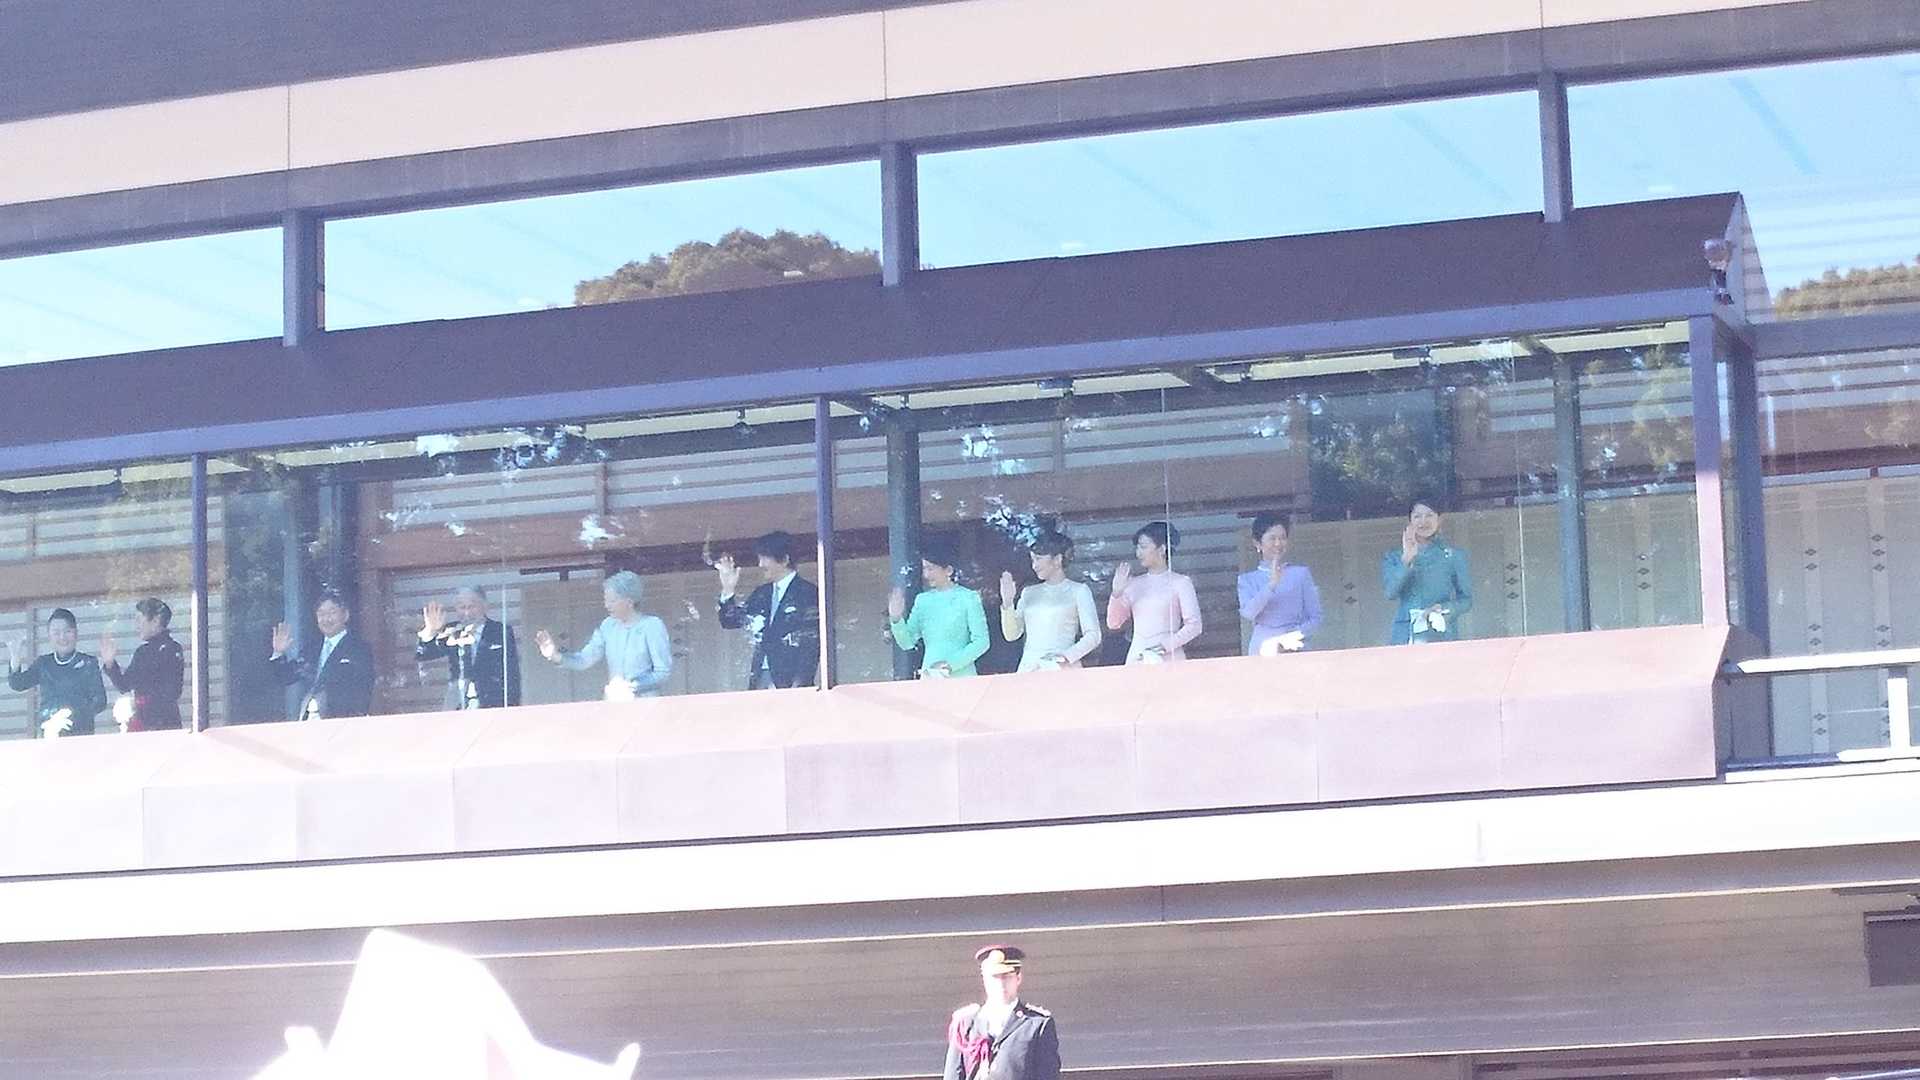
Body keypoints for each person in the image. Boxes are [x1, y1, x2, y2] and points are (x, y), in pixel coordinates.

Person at [535, 570, 673, 700]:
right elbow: (584, 659)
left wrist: (632, 686)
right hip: (615, 702)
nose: (607, 605)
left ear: (629, 602)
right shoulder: (608, 626)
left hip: (646, 703)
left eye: (612, 601)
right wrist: (554, 655)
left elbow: (662, 672)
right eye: (606, 600)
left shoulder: (652, 625)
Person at [716, 530, 821, 689]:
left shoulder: (807, 593)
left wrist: (799, 686)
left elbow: (811, 644)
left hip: (791, 680)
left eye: (764, 558)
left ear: (784, 559)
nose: (760, 564)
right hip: (761, 677)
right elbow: (730, 622)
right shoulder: (762, 593)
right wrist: (728, 589)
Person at [942, 945, 1060, 1080]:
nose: (1001, 983)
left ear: (1018, 978)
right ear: (984, 979)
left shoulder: (1037, 1025)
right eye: (995, 977)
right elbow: (953, 1075)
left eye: (1007, 976)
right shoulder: (965, 1023)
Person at [998, 531, 1101, 672]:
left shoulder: (1078, 590)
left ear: (1057, 559)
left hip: (1062, 668)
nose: (1034, 566)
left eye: (1038, 559)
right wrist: (1008, 603)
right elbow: (1012, 635)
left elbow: (1093, 636)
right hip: (1029, 669)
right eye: (1032, 560)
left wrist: (1066, 656)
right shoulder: (1028, 592)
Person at [889, 537, 991, 678]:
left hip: (962, 677)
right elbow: (907, 642)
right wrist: (896, 619)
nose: (926, 575)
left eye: (931, 568)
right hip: (930, 677)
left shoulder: (968, 598)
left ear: (948, 570)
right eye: (924, 569)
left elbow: (982, 642)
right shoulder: (922, 601)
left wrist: (950, 664)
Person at [269, 590, 376, 720]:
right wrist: (278, 652)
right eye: (321, 614)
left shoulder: (358, 648)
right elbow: (287, 677)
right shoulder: (312, 649)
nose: (326, 619)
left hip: (340, 720)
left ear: (345, 615)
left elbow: (362, 689)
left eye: (332, 612)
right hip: (309, 719)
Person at [1105, 521, 1203, 663]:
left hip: (1170, 657)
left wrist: (1164, 646)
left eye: (1143, 547)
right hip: (1137, 657)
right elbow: (1113, 623)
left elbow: (1194, 626)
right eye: (1137, 547)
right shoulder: (1133, 584)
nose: (1138, 553)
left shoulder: (1181, 582)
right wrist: (1116, 594)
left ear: (1162, 549)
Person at [1382, 497, 1473, 645]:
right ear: (1410, 521)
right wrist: (1406, 560)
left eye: (1429, 515)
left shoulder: (1453, 555)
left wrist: (1444, 609)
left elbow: (1466, 600)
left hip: (1441, 631)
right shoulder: (1394, 556)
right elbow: (1390, 593)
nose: (1423, 522)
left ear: (1439, 520)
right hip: (1405, 633)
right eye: (1417, 516)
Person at [416, 585, 522, 710]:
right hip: (457, 704)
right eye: (462, 607)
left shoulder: (500, 631)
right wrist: (431, 631)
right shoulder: (450, 631)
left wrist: (512, 706)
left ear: (485, 606)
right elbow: (424, 655)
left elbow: (512, 671)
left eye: (472, 606)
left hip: (492, 703)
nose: (467, 612)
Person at [7, 608, 108, 737]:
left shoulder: (88, 662)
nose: (62, 637)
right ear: (49, 636)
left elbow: (100, 701)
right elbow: (17, 683)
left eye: (67, 631)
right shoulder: (43, 663)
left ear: (76, 634)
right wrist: (15, 657)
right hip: (49, 732)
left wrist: (71, 714)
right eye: (56, 632)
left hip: (80, 734)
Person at [1236, 513, 1322, 655]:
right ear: (1257, 543)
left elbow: (1315, 618)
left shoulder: (1301, 574)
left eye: (1282, 538)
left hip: (1296, 646)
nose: (1278, 543)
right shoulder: (1247, 580)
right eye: (1272, 538)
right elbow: (1249, 613)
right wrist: (1272, 585)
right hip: (1262, 648)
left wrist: (1287, 638)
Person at [99, 597, 185, 731]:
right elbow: (125, 685)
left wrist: (141, 702)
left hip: (165, 723)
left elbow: (172, 691)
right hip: (142, 722)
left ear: (155, 621)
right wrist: (110, 663)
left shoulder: (172, 649)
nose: (136, 625)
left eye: (139, 619)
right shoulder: (142, 652)